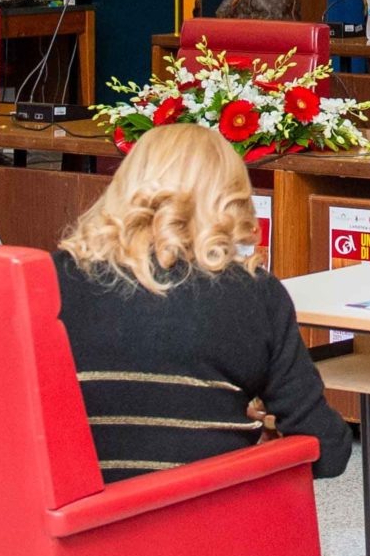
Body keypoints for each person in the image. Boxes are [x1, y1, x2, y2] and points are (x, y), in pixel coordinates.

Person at [54, 123, 351, 483]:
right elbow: (327, 450)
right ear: (230, 199)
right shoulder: (254, 293)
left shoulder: (54, 278)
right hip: (204, 512)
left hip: (73, 509)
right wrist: (264, 442)